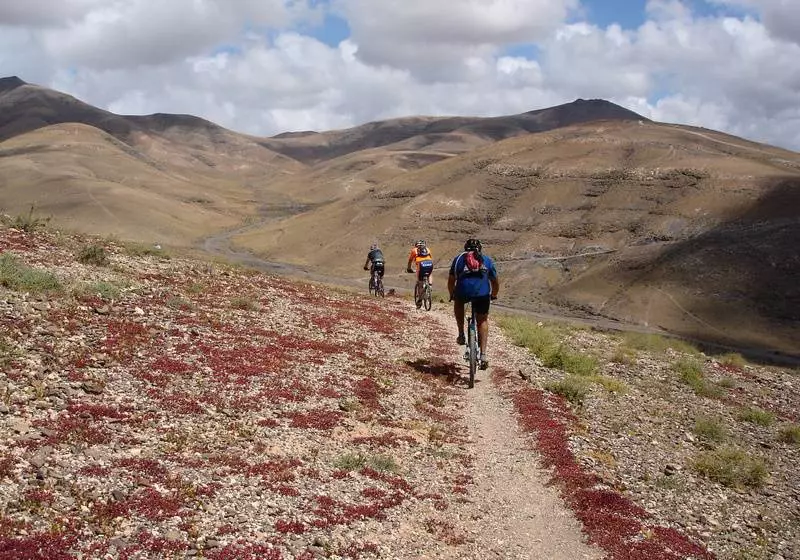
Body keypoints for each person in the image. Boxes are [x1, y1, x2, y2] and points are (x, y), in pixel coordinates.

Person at [447, 238, 499, 370]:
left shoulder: (458, 259)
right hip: (482, 294)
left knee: (458, 303)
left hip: (463, 292)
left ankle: (461, 334)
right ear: (480, 249)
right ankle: (483, 355)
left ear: (465, 248)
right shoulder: (486, 260)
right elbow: (494, 281)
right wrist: (494, 294)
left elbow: (451, 280)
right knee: (482, 321)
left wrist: (452, 294)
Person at [406, 239, 434, 308]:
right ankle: (430, 285)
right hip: (430, 263)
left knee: (420, 283)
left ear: (416, 245)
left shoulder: (414, 250)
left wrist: (409, 268)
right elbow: (430, 258)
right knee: (430, 273)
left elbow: (410, 261)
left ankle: (420, 300)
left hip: (421, 265)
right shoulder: (427, 249)